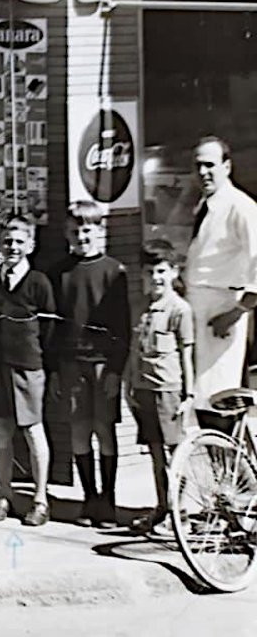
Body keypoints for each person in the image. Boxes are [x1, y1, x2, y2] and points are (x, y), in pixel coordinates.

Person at [48, 200, 131, 529]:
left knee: (104, 430)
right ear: (67, 234)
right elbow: (54, 325)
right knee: (79, 431)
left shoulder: (114, 271)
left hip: (102, 365)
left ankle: (108, 500)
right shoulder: (60, 273)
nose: (81, 236)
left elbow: (122, 327)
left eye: (87, 229)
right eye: (75, 230)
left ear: (99, 231)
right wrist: (54, 368)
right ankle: (89, 497)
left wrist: (116, 369)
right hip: (71, 363)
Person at [0, 215, 55, 526]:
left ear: (31, 246)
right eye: (7, 241)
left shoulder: (39, 283)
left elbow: (48, 328)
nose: (12, 247)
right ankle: (4, 496)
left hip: (28, 367)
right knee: (2, 433)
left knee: (33, 431)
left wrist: (40, 362)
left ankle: (40, 499)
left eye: (19, 241)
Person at [183, 136, 257, 420]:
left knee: (221, 399)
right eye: (197, 166)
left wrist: (235, 313)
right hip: (199, 308)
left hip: (223, 312)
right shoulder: (205, 204)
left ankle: (233, 463)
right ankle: (219, 463)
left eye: (210, 165)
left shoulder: (241, 207)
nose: (202, 173)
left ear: (227, 166)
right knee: (201, 399)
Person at [127, 240, 195, 535]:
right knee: (155, 454)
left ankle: (181, 514)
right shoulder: (141, 308)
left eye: (161, 271)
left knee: (173, 455)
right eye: (149, 271)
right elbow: (134, 350)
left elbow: (186, 353)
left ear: (173, 272)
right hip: (144, 389)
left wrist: (188, 394)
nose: (155, 277)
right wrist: (129, 384)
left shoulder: (180, 310)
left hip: (169, 390)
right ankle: (161, 508)